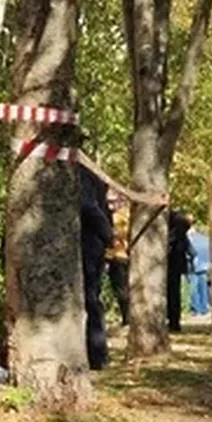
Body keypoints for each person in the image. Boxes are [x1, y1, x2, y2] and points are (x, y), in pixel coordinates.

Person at [79, 155, 113, 370]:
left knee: (89, 299)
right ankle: (96, 353)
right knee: (91, 299)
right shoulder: (93, 174)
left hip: (87, 243)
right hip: (94, 243)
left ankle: (96, 353)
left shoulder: (80, 174)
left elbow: (88, 207)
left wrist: (108, 235)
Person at [105, 193, 131, 326]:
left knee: (122, 289)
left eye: (113, 202)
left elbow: (114, 236)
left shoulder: (120, 217)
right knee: (122, 289)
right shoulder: (125, 216)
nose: (111, 205)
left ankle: (127, 318)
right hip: (117, 256)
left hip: (120, 256)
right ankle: (126, 317)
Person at [166, 211, 192, 332]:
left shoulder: (172, 233)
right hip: (177, 263)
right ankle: (174, 321)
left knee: (171, 293)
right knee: (174, 293)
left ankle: (173, 321)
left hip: (170, 262)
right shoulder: (182, 234)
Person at [188, 224, 212, 317]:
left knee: (193, 289)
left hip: (193, 267)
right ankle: (204, 307)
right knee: (203, 288)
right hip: (204, 266)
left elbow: (190, 252)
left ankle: (196, 308)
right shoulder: (205, 239)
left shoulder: (190, 239)